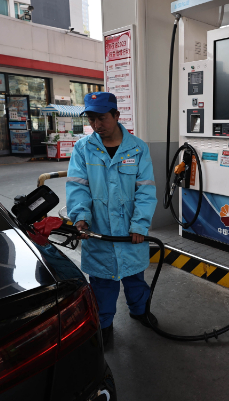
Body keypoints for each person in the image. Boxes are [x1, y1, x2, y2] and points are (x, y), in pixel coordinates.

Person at [66, 92, 158, 348]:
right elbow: (78, 187)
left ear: (117, 116)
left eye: (102, 118)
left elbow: (146, 189)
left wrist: (140, 224)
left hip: (130, 231)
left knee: (134, 276)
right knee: (102, 283)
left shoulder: (138, 148)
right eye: (92, 119)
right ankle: (104, 324)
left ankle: (139, 311)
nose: (97, 125)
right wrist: (81, 217)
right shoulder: (83, 148)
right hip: (99, 231)